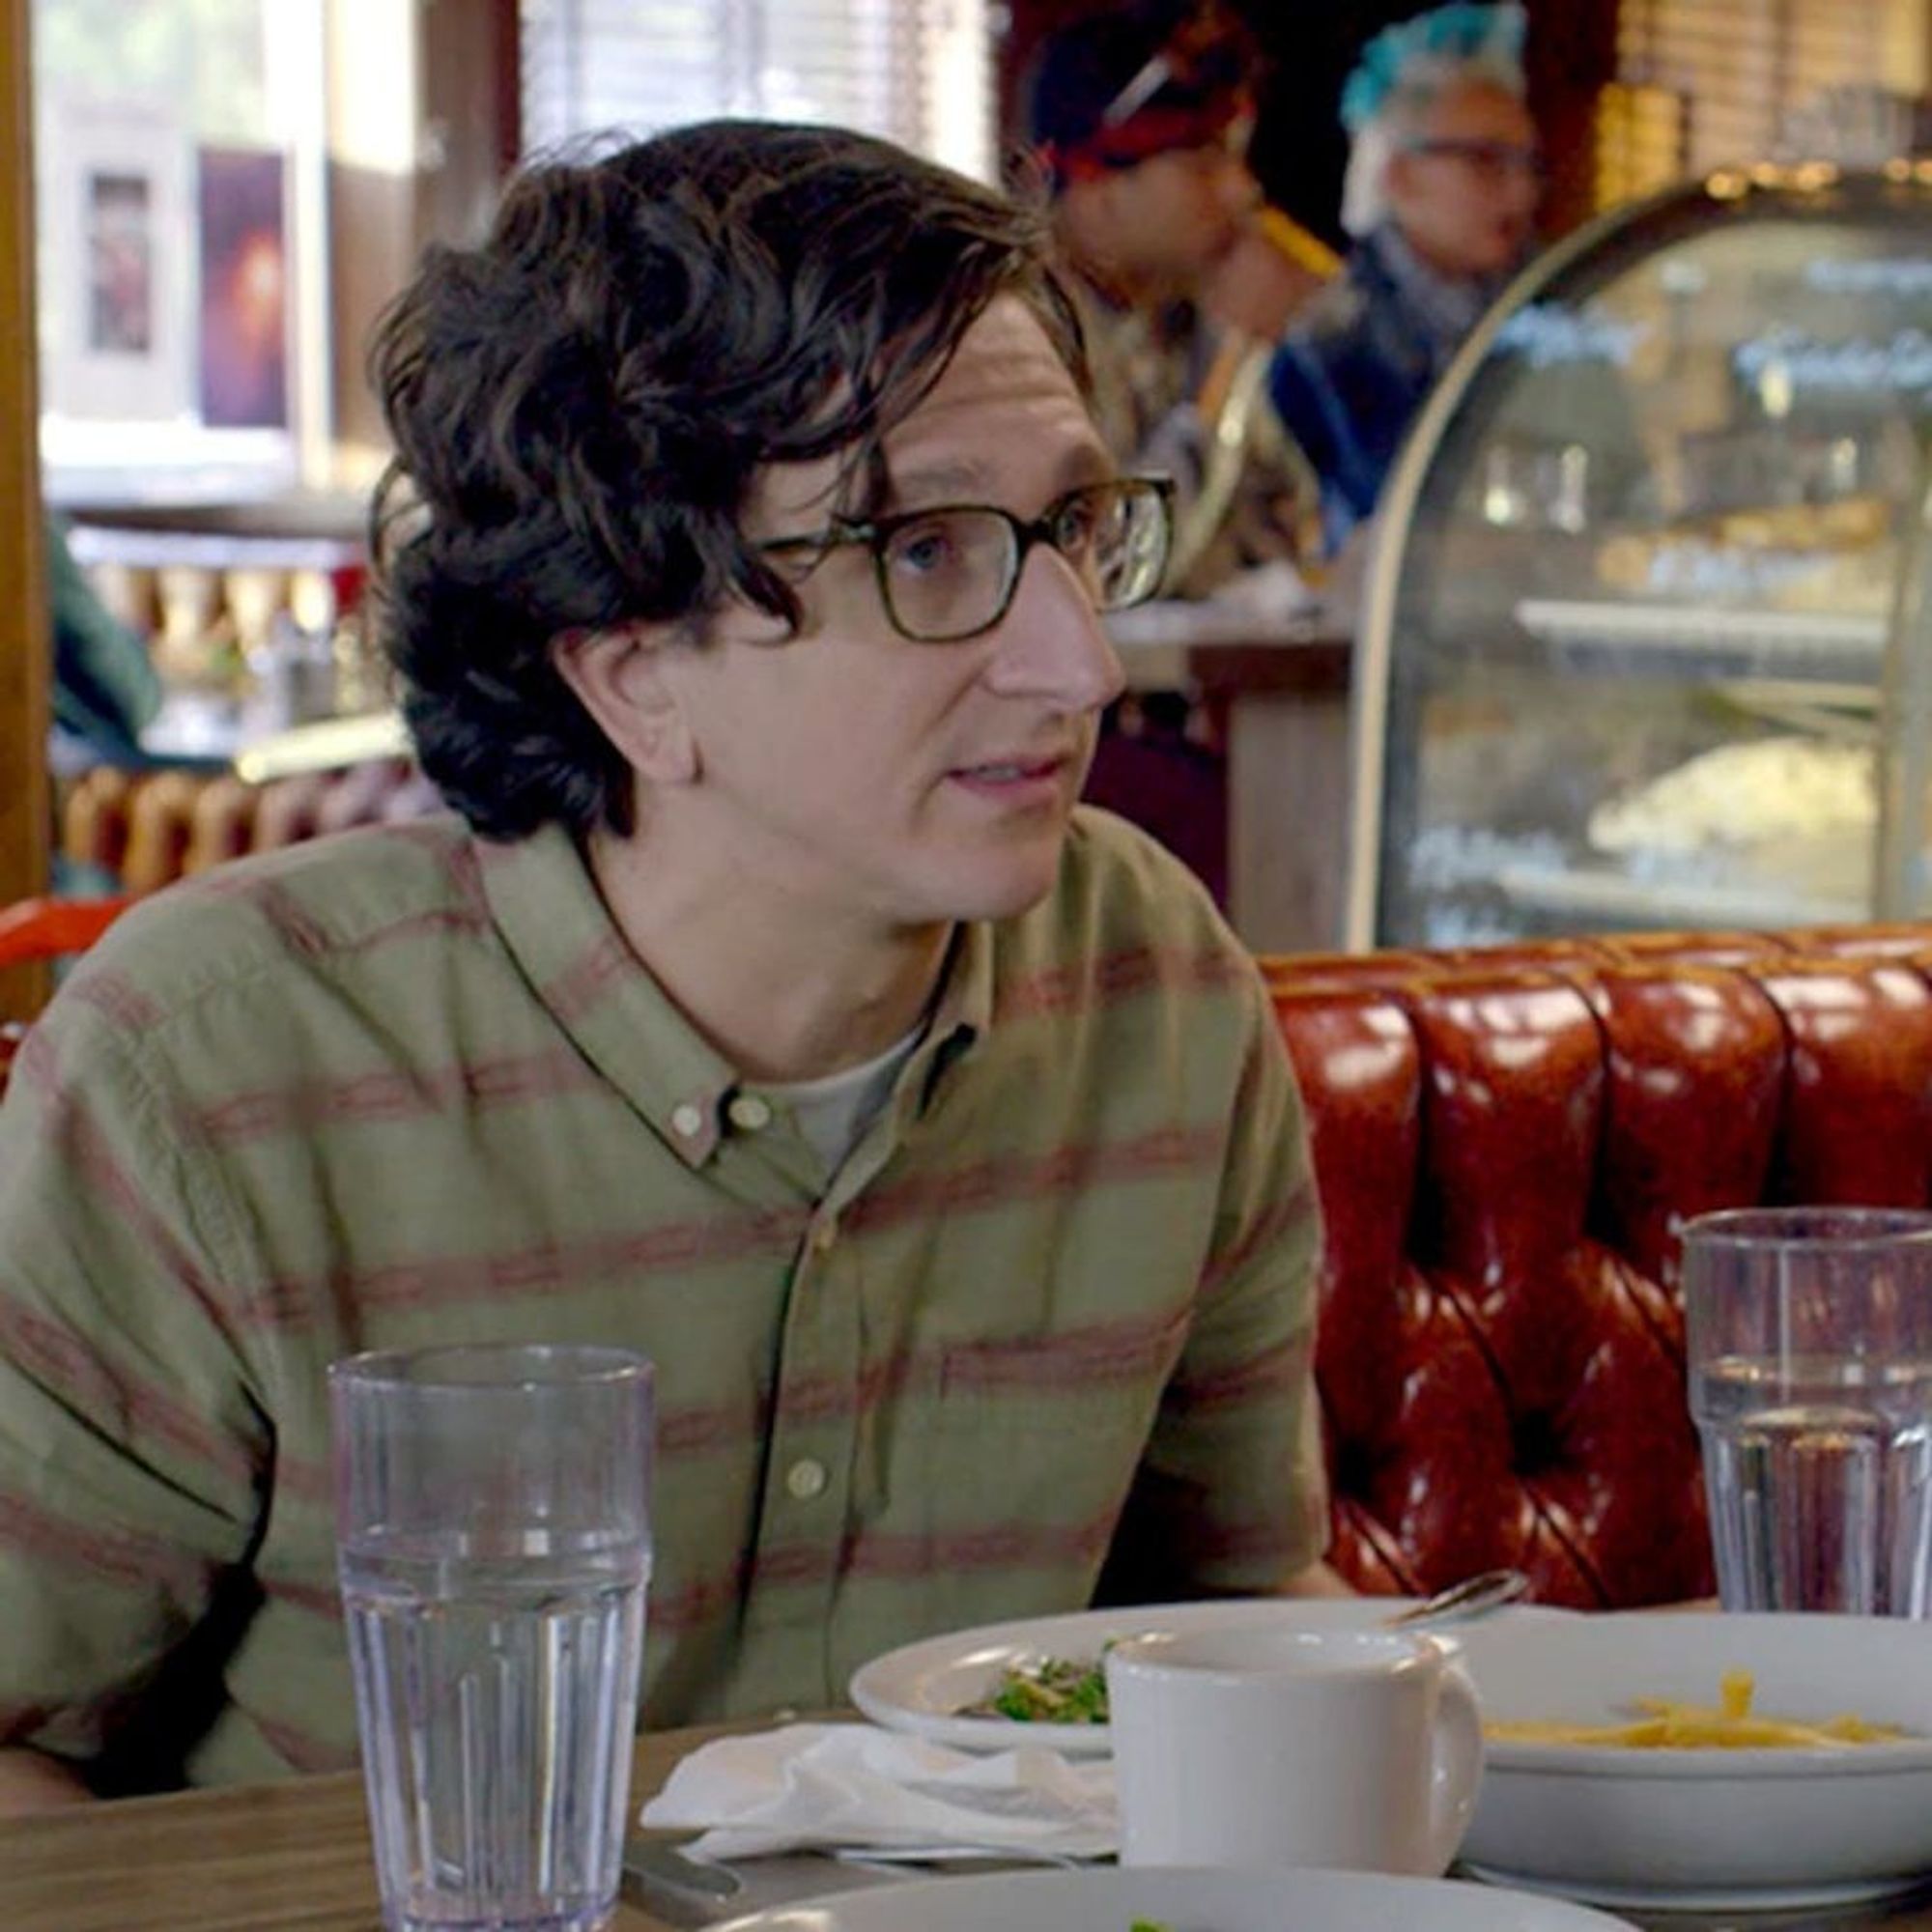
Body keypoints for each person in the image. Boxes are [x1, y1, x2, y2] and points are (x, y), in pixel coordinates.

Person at [0, 120, 1340, 1812]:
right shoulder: (208, 1071)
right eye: (926, 550)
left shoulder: (1158, 991)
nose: (1080, 661)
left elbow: (1240, 1635)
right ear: (633, 675)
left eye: (1072, 527)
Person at [1022, 0, 1337, 593]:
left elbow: (1286, 535)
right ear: (1095, 189)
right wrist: (1223, 371)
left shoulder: (1177, 315)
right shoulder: (1017, 340)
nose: (1243, 191)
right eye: (1204, 162)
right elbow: (1108, 574)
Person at [1267, 1, 1541, 555]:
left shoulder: (1548, 312)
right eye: (1485, 161)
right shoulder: (1326, 340)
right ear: (1398, 175)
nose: (1520, 193)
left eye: (1527, 164)